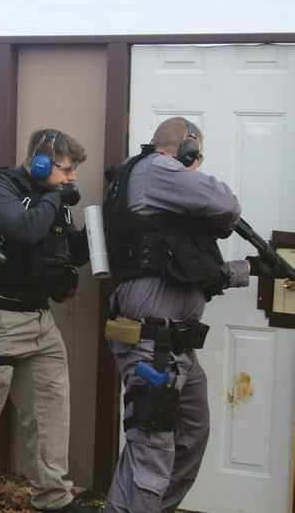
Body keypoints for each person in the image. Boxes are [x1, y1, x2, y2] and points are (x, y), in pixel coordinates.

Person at [101, 117, 289, 512]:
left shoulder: (162, 202)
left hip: (178, 346)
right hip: (153, 345)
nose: (197, 166)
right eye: (197, 157)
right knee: (151, 455)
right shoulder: (156, 169)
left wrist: (251, 268)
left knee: (190, 438)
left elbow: (195, 273)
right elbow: (224, 204)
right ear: (186, 147)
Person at [0, 129, 98, 513]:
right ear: (41, 162)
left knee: (51, 414)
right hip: (0, 322)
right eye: (67, 170)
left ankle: (53, 497)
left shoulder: (53, 199)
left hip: (41, 322)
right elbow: (23, 230)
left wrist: (99, 231)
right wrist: (56, 198)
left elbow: (70, 252)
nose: (72, 178)